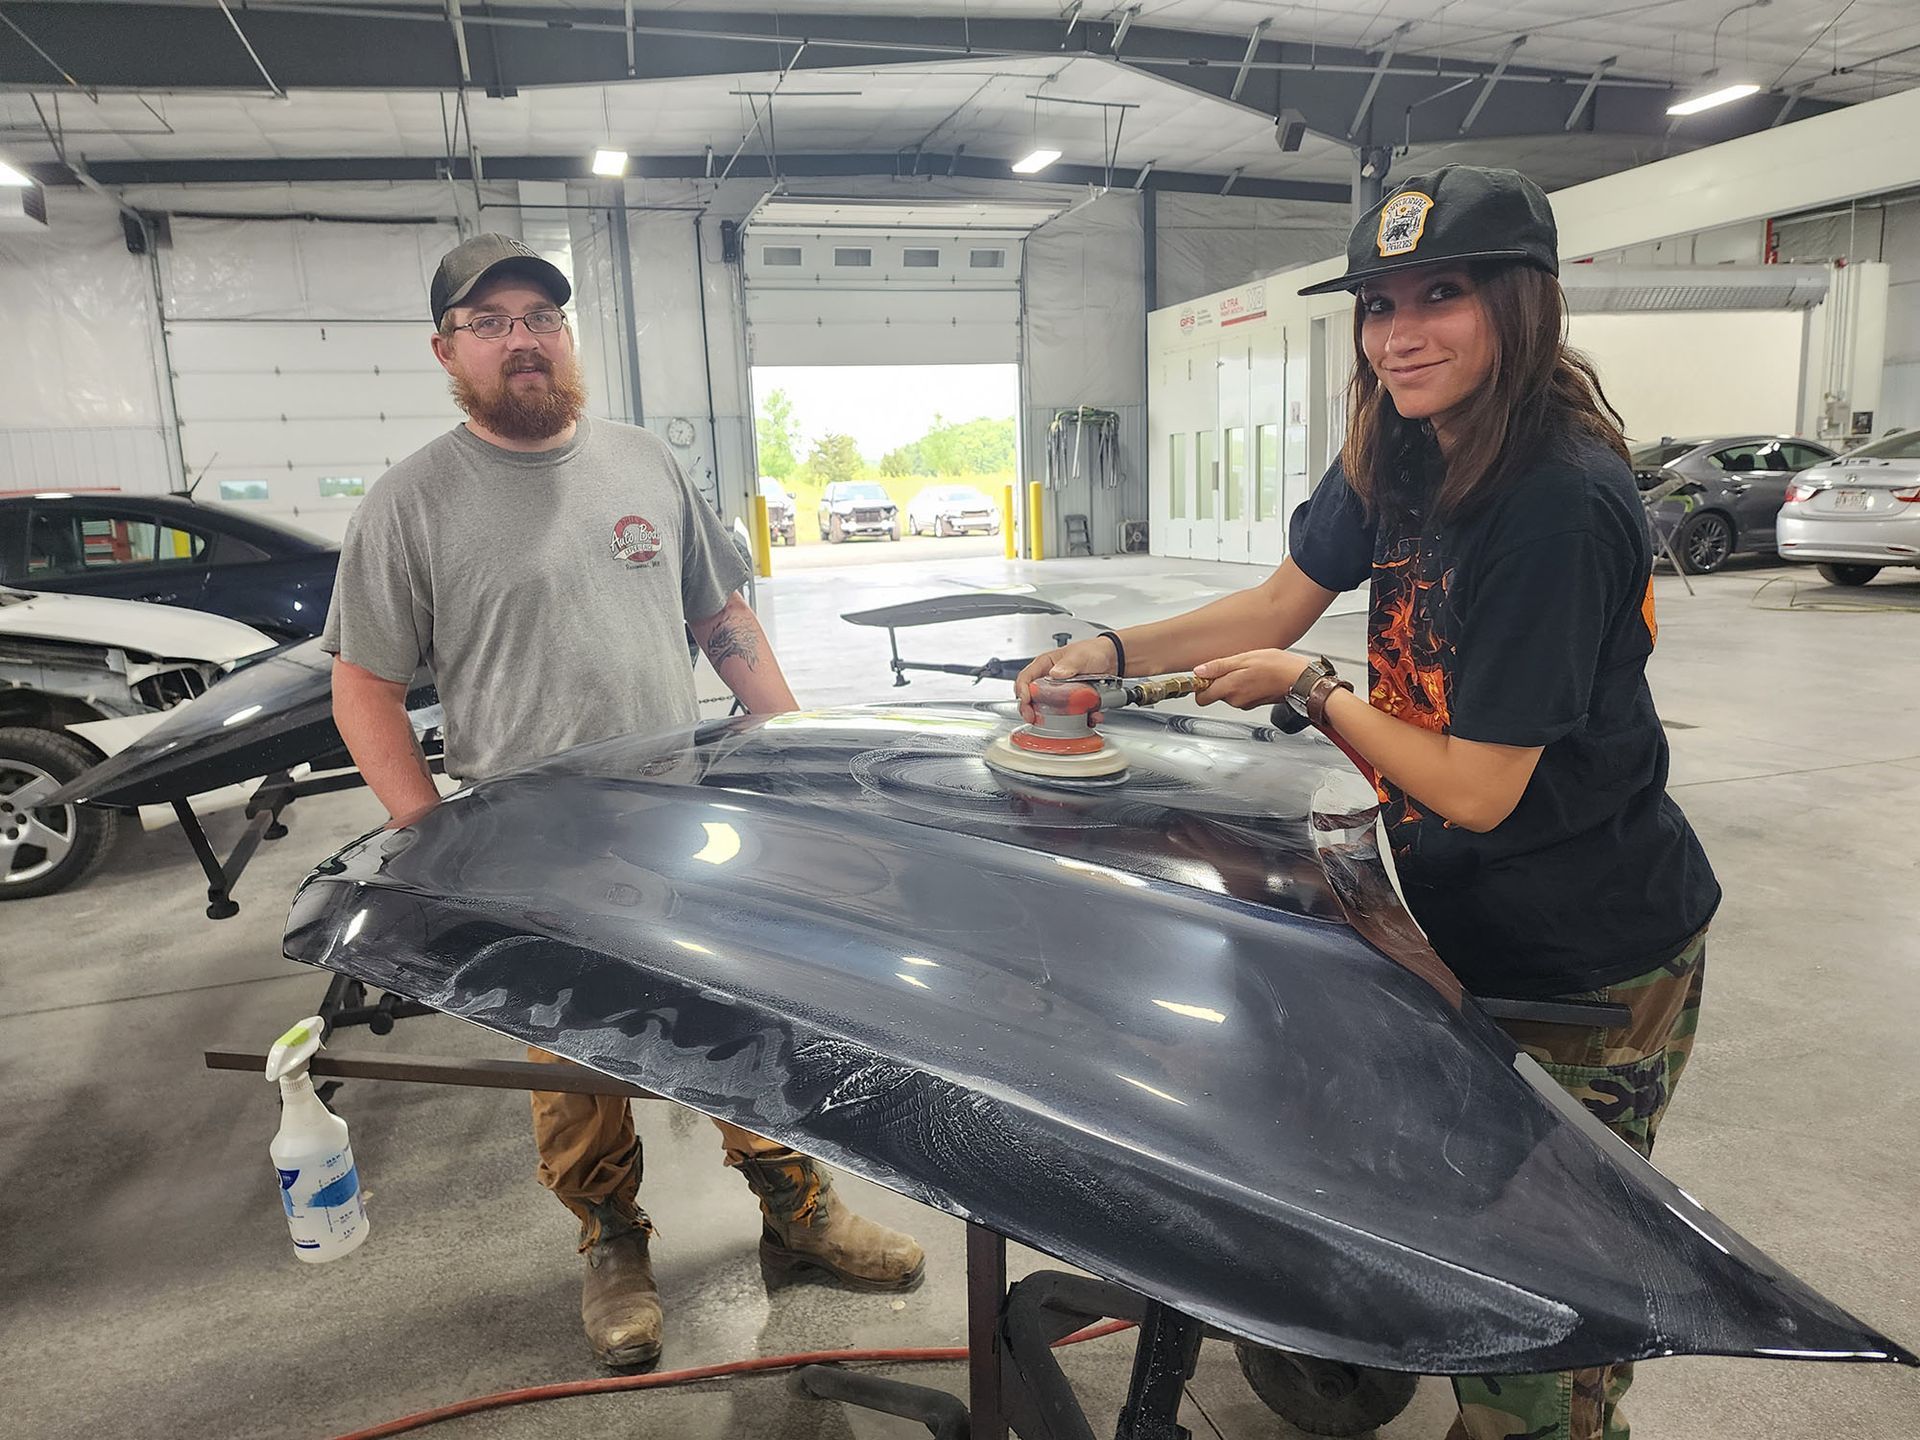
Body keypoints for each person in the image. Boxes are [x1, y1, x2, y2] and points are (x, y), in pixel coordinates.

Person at [1018, 167, 1720, 1440]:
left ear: (1521, 302)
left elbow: (1479, 787)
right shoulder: (1398, 447)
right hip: (1452, 923)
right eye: (1379, 304)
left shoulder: (1557, 503)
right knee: (1455, 1233)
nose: (1399, 335)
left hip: (1591, 957)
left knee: (1544, 1322)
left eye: (1440, 296)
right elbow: (1277, 601)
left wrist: (1313, 691)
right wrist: (1108, 651)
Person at [323, 233, 924, 1371]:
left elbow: (721, 619)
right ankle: (610, 1242)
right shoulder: (410, 502)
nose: (523, 340)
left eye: (542, 318)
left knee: (748, 1014)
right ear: (447, 350)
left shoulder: (645, 462)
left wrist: (797, 751)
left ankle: (797, 1207)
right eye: (491, 322)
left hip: (686, 817)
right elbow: (364, 688)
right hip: (529, 848)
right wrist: (426, 835)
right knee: (576, 1060)